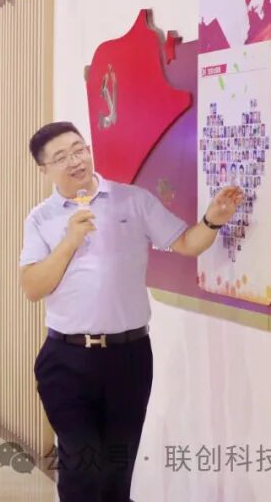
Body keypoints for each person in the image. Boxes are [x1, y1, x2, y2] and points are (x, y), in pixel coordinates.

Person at [19, 121, 242, 502]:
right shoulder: (41, 218)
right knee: (83, 466)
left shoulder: (133, 201)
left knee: (117, 471)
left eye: (79, 149)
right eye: (61, 157)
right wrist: (70, 240)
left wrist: (212, 221)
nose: (75, 161)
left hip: (129, 357)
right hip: (66, 359)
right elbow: (32, 287)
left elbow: (186, 243)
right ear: (44, 170)